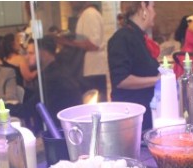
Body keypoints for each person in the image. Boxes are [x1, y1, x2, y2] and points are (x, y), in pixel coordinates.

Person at [108, 1, 160, 131]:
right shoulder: (122, 38)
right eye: (153, 7)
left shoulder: (138, 36)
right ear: (143, 6)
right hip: (131, 120)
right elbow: (121, 80)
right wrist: (158, 80)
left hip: (143, 115)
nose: (155, 13)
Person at [26, 36, 82, 128]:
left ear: (43, 54)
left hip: (59, 130)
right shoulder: (57, 70)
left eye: (31, 53)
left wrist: (4, 107)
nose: (27, 57)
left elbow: (30, 109)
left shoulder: (52, 77)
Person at [57, 2, 108, 102]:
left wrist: (67, 42)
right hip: (90, 70)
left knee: (93, 103)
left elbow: (93, 44)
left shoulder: (90, 14)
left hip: (92, 70)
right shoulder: (87, 14)